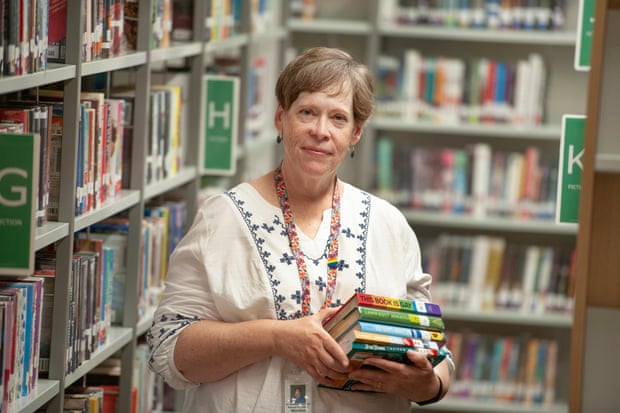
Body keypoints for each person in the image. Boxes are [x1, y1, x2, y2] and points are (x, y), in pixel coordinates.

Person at [147, 46, 454, 412]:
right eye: (307, 112)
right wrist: (276, 337)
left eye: (338, 119)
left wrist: (427, 385)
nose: (320, 131)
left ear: (355, 133)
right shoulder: (222, 217)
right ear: (281, 118)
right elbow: (168, 348)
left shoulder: (389, 225)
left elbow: (437, 356)